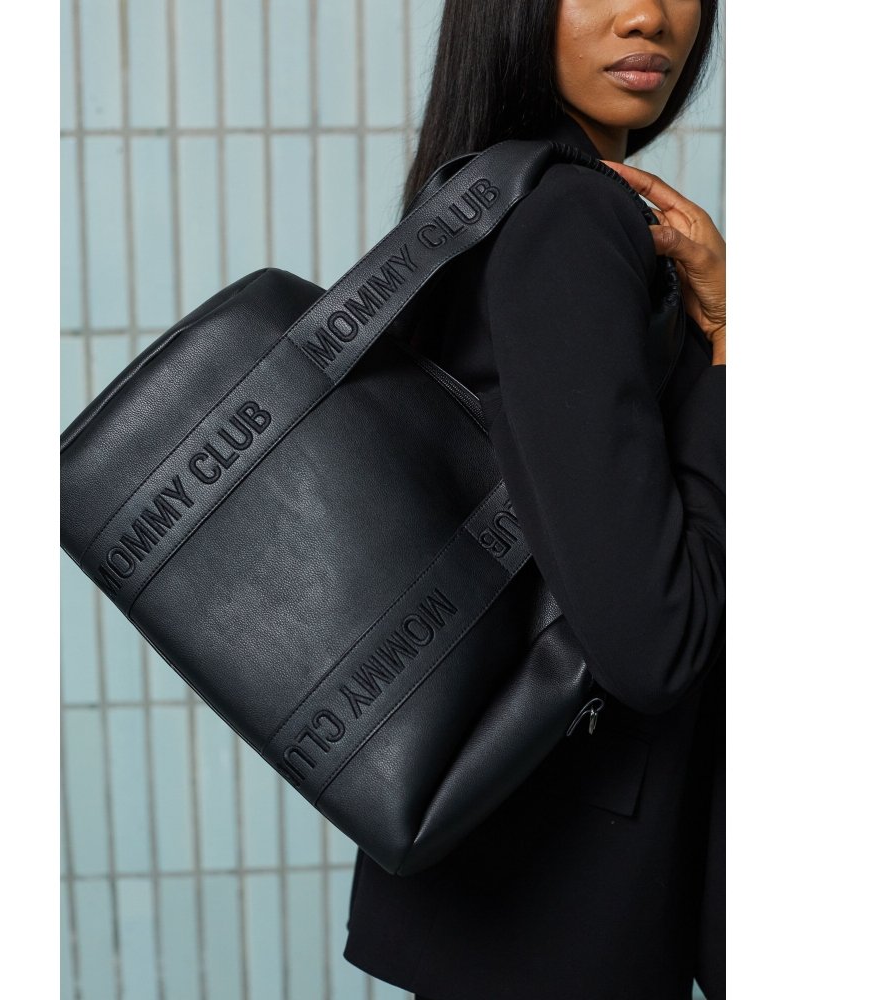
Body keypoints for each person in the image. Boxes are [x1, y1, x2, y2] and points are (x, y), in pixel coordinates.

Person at [341, 1, 725, 999]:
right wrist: (731, 341)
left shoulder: (490, 198)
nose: (648, 15)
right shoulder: (570, 218)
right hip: (565, 903)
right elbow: (656, 642)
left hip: (505, 883)